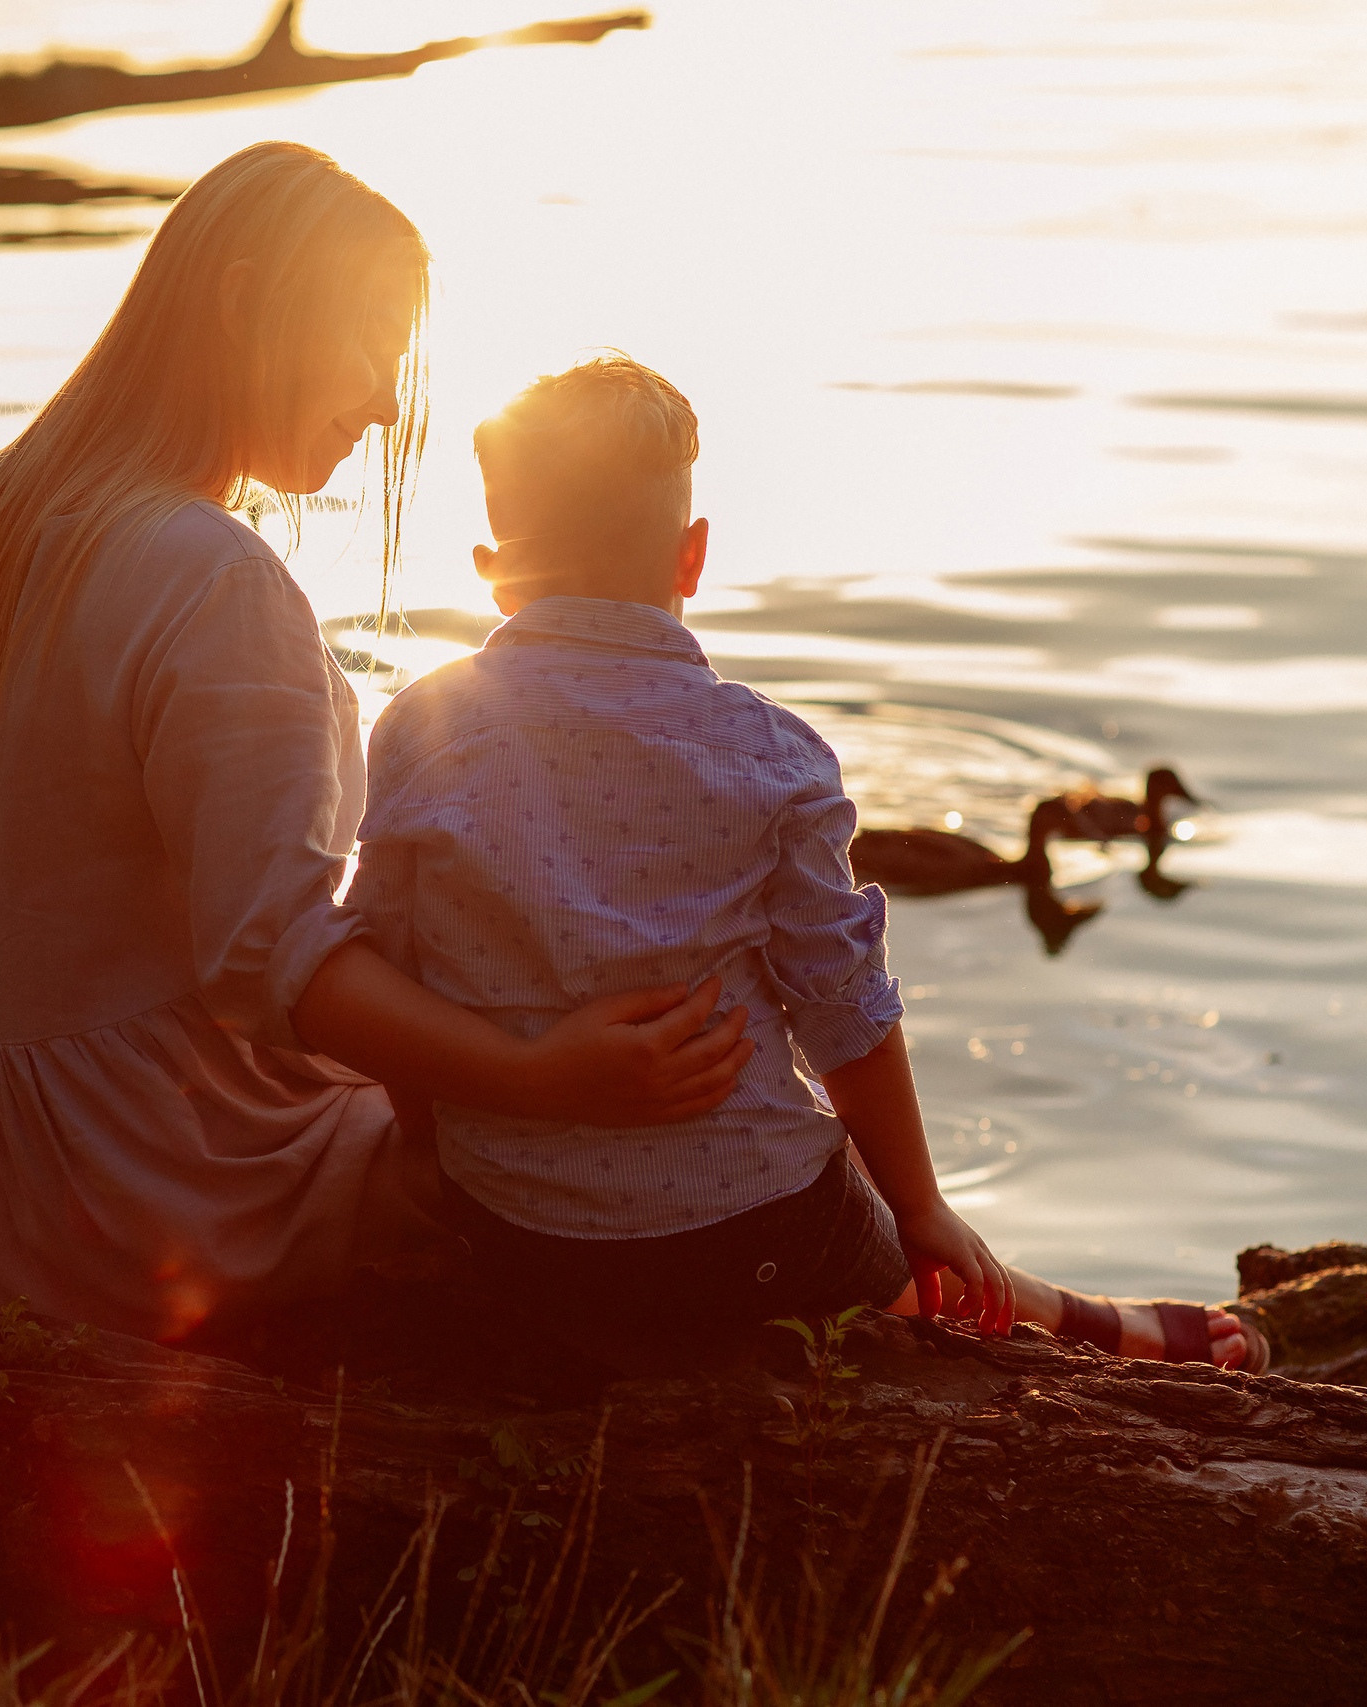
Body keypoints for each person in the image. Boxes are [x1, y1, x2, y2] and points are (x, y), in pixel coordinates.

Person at [0, 145, 753, 1345]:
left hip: (7, 1203)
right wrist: (535, 1074)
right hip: (199, 1189)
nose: (386, 401)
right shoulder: (211, 579)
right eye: (369, 348)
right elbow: (272, 961)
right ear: (245, 302)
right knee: (656, 1123)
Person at [346, 354, 1267, 1373]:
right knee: (854, 1197)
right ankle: (1089, 1320)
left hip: (511, 1232)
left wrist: (441, 1149)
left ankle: (1042, 1296)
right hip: (755, 1245)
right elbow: (846, 1011)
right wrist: (919, 1206)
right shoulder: (770, 757)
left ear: (489, 565)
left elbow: (389, 963)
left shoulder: (418, 732)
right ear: (692, 557)